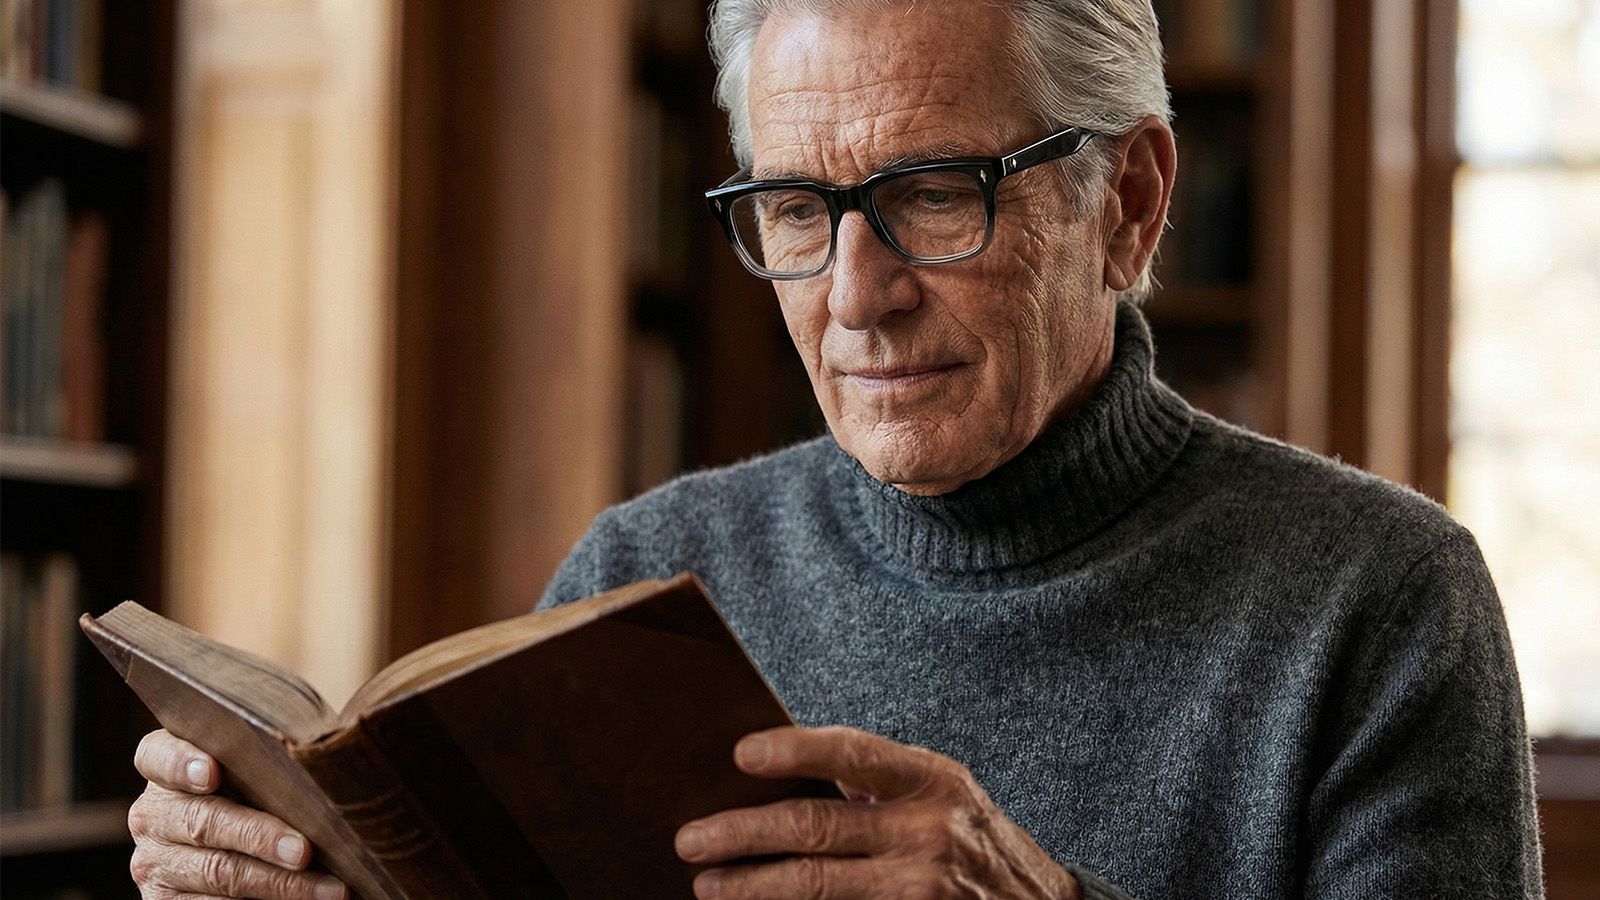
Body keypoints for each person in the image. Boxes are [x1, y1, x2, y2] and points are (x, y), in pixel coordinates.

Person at [126, 1, 1543, 897]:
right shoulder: (648, 568)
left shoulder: (1384, 599)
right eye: (798, 211)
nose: (855, 298)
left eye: (932, 195)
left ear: (1131, 201)